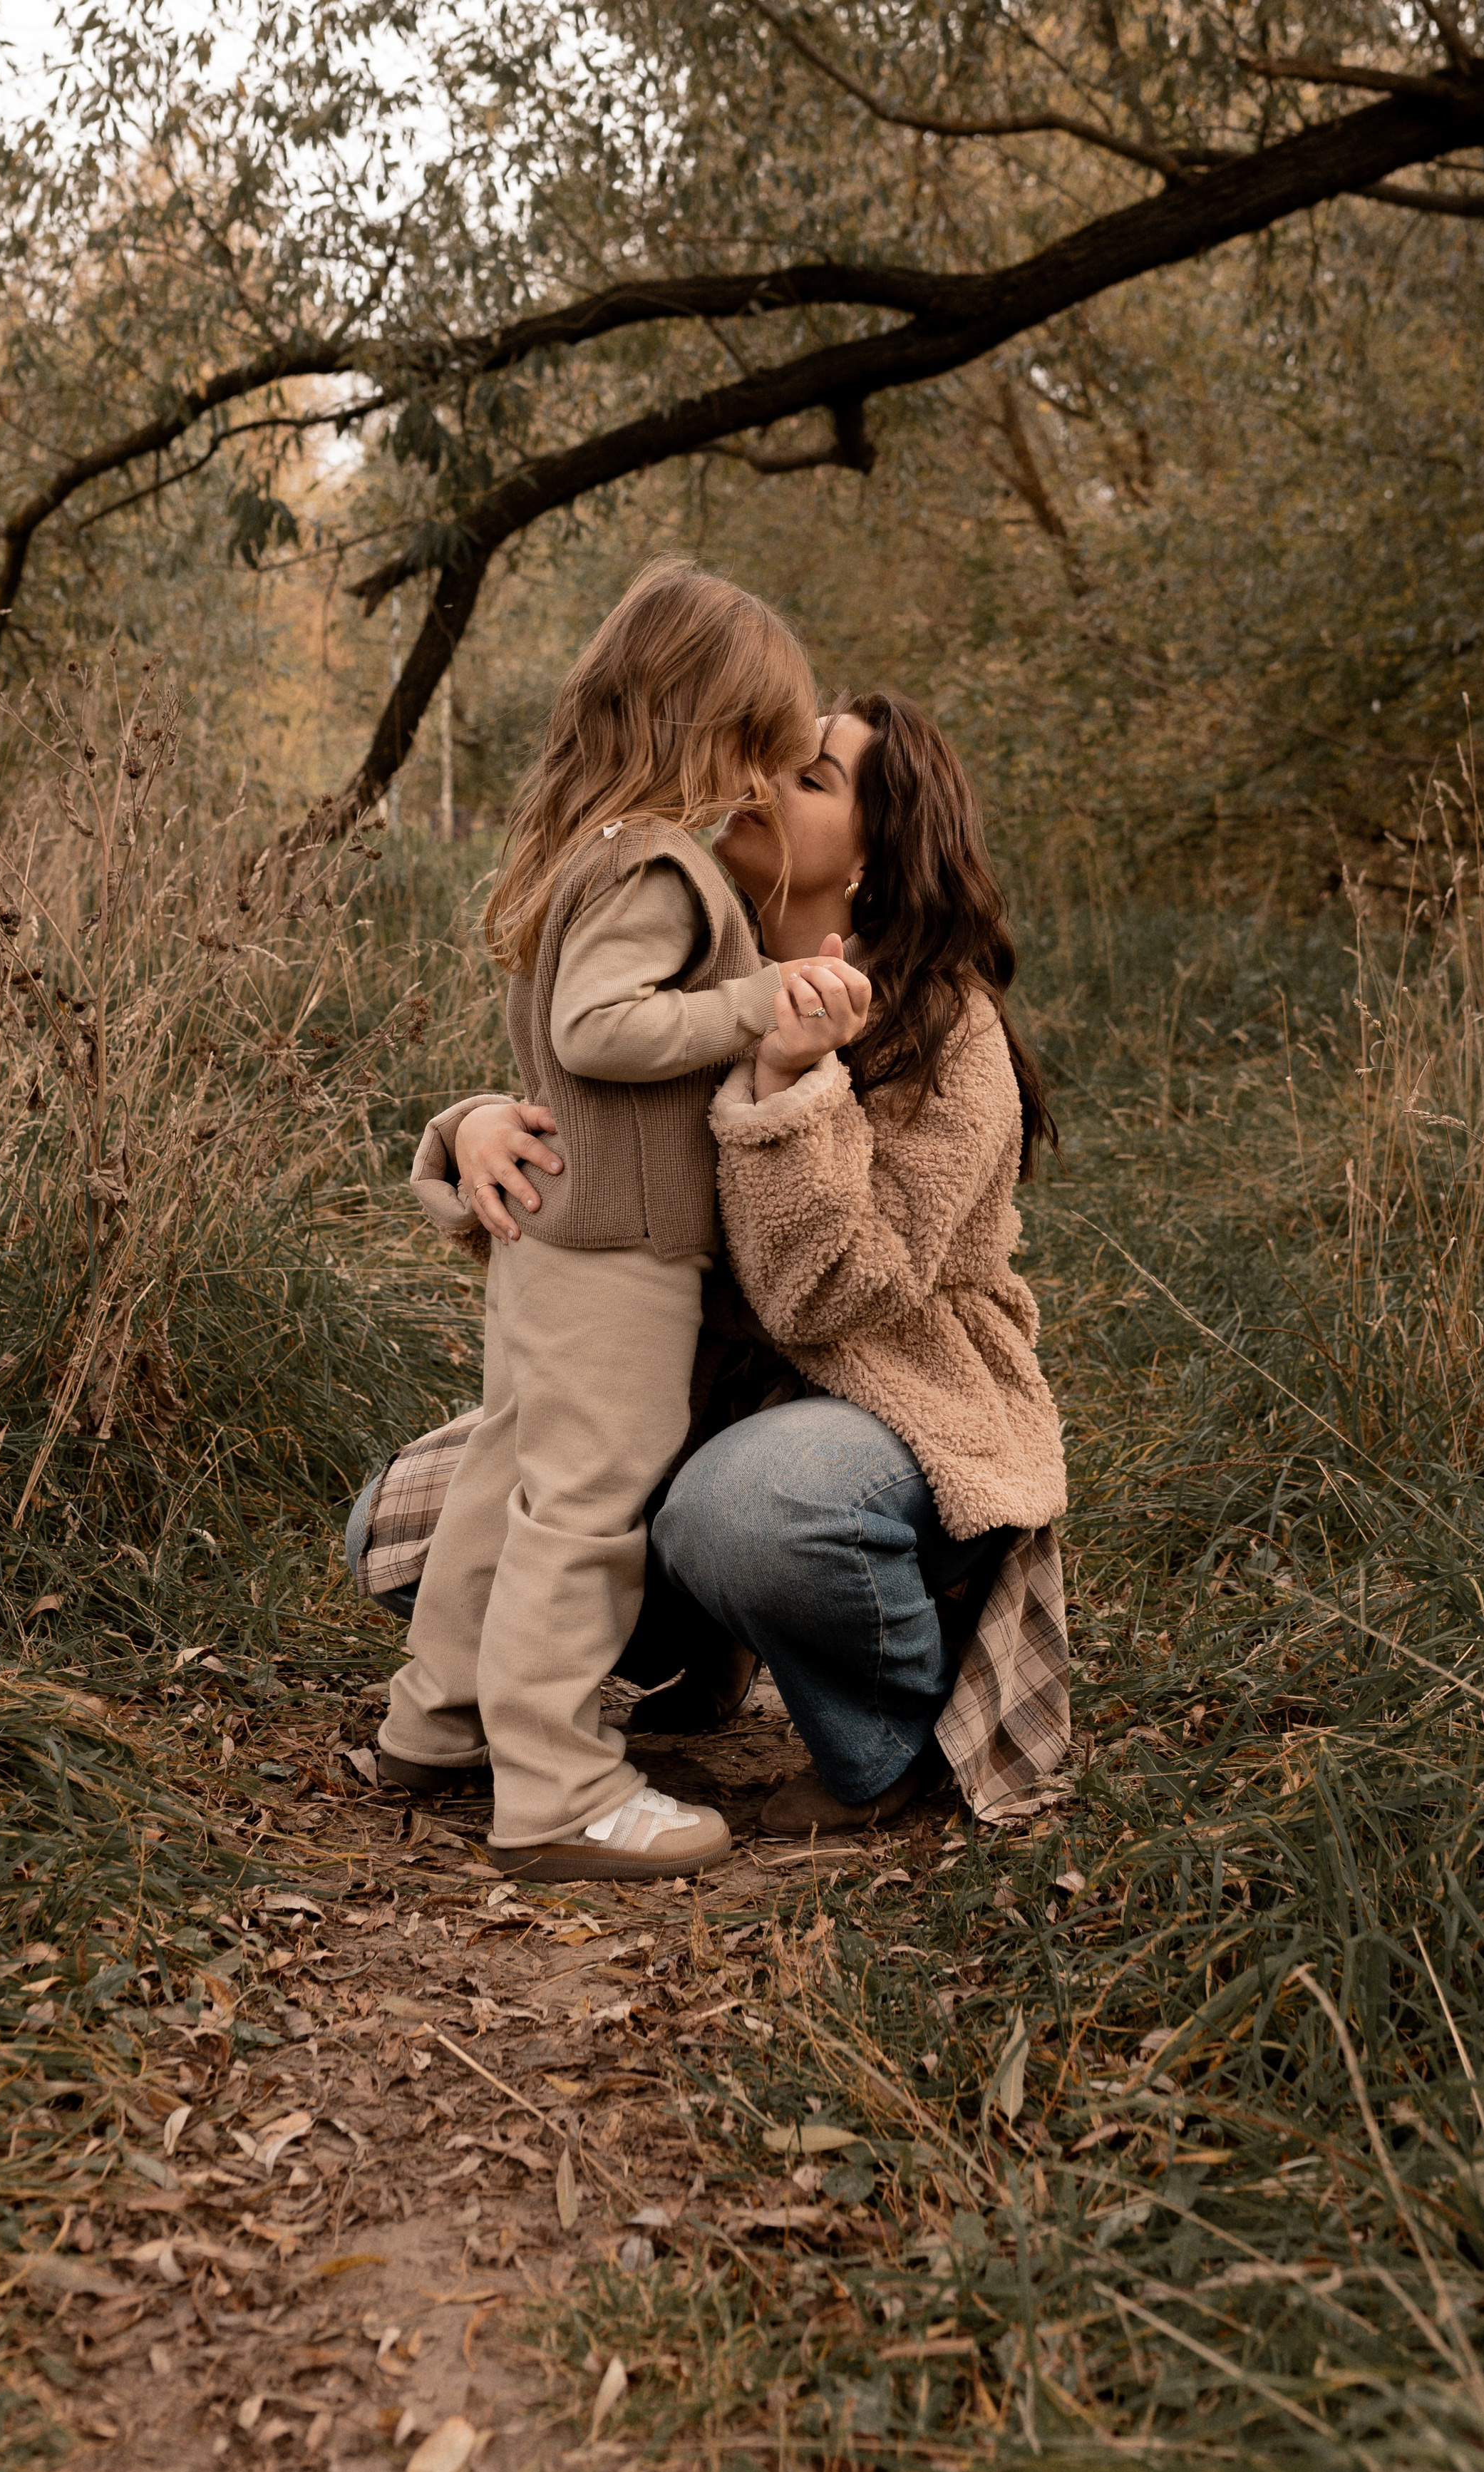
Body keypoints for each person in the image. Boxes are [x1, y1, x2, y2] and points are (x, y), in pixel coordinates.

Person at [359, 688, 1071, 1838]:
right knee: (398, 1532)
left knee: (742, 1509)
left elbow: (830, 1294)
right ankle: (705, 1640)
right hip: (681, 1405)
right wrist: (481, 1126)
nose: (766, 776)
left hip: (885, 1410)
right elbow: (603, 1144)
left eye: (813, 775)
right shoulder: (698, 969)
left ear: (876, 860)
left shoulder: (948, 1031)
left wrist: (792, 1084)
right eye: (778, 754)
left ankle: (889, 1737)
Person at [373, 560, 870, 1881]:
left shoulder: (591, 854)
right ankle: (555, 1785)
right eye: (762, 752)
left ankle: (437, 1718)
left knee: (504, 1480)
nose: (765, 783)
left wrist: (765, 980)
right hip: (618, 1255)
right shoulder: (660, 864)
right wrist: (755, 1007)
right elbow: (601, 1028)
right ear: (707, 732)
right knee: (587, 1508)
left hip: (555, 1242)